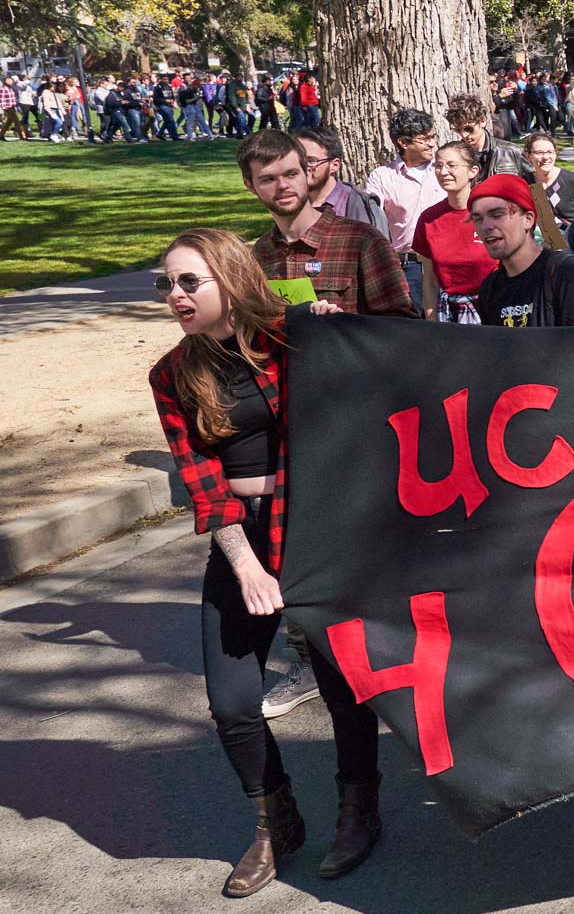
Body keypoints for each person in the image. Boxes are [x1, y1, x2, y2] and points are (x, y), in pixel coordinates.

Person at [149, 228, 384, 895]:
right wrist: (244, 563)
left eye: (190, 281)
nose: (176, 295)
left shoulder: (296, 339)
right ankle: (275, 819)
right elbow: (198, 477)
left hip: (314, 525)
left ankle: (359, 809)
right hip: (240, 537)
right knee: (231, 702)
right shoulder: (171, 373)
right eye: (166, 284)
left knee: (343, 686)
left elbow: (369, 397)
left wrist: (342, 330)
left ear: (229, 278)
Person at [239, 130, 412, 318]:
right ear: (249, 185)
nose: (282, 185)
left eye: (291, 174)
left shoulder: (363, 241)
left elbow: (401, 325)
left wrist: (342, 324)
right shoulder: (259, 254)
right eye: (268, 179)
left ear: (306, 173)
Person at [470, 175, 574, 326]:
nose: (486, 226)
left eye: (497, 215)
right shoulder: (490, 287)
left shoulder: (567, 275)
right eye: (478, 219)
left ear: (528, 219)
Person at [363, 109, 444, 313]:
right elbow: (371, 220)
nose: (432, 143)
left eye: (432, 136)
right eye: (424, 139)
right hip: (411, 266)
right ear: (403, 143)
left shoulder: (445, 170)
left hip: (447, 261)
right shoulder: (382, 177)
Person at [414, 141, 494, 323]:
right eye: (438, 166)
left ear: (473, 171)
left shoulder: (492, 213)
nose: (443, 172)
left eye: (452, 165)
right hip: (449, 315)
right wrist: (432, 319)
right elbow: (430, 279)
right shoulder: (429, 218)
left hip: (493, 309)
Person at [294, 126, 382, 231]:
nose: (303, 166)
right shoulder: (292, 203)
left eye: (312, 161)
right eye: (298, 160)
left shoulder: (359, 206)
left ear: (334, 165)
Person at [525, 131, 574, 225]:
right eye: (539, 153)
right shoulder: (525, 182)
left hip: (570, 236)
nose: (545, 157)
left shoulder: (571, 180)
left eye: (550, 152)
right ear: (528, 156)